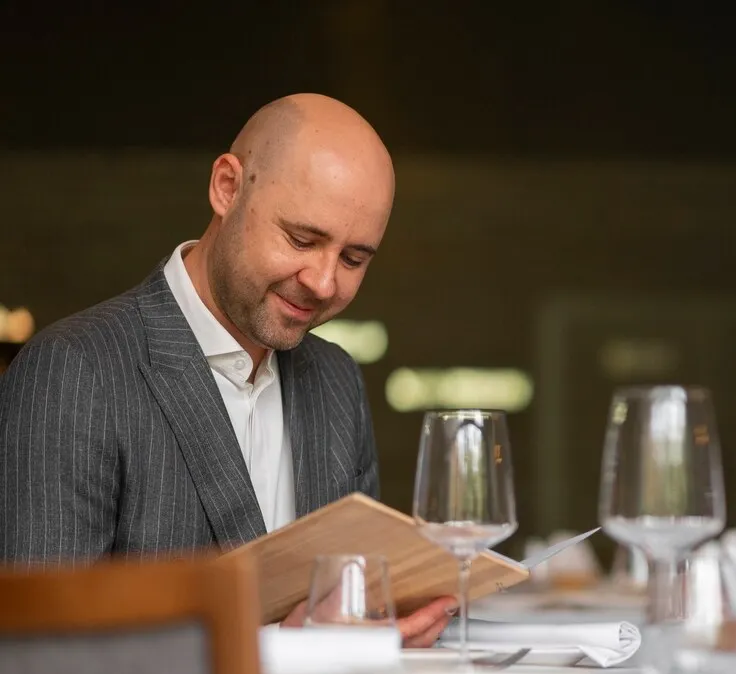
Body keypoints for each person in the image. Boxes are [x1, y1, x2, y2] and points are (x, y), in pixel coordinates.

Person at [0, 94, 451, 646]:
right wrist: (293, 653)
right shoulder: (73, 372)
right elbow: (38, 655)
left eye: (354, 259)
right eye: (302, 240)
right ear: (227, 188)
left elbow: (353, 607)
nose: (325, 282)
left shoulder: (336, 379)